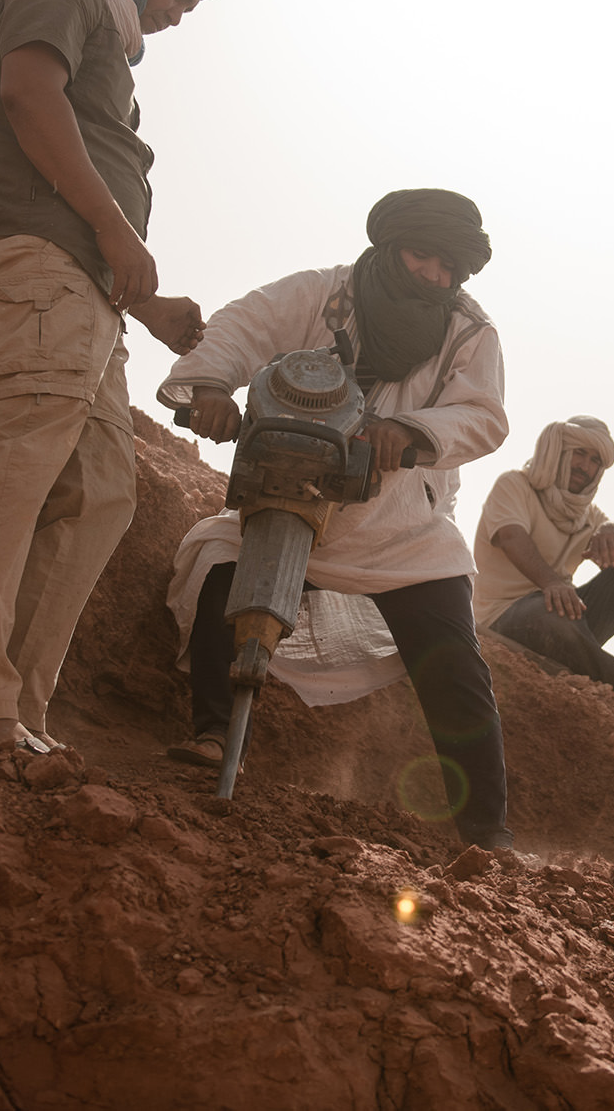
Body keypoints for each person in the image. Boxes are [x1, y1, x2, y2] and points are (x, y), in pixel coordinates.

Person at [0, 0, 227, 755]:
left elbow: (82, 178)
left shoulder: (107, 38)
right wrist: (117, 230)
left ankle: (18, 708)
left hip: (81, 290)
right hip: (30, 263)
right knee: (16, 458)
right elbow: (27, 92)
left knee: (101, 491)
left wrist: (148, 305)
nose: (178, 15)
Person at [160, 188, 514, 850]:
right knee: (221, 573)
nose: (435, 274)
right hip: (287, 492)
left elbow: (484, 416)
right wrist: (211, 388)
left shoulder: (470, 332)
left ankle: (487, 831)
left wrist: (407, 432)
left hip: (402, 530)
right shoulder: (326, 294)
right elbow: (245, 326)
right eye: (422, 255)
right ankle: (213, 736)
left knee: (454, 665)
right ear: (391, 246)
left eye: (449, 267)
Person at [472, 416, 614, 728]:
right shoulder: (515, 485)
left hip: (566, 618)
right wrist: (552, 583)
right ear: (559, 452)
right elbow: (510, 536)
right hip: (506, 616)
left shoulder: (588, 515)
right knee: (550, 612)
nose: (585, 466)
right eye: (579, 453)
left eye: (596, 460)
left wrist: (613, 530)